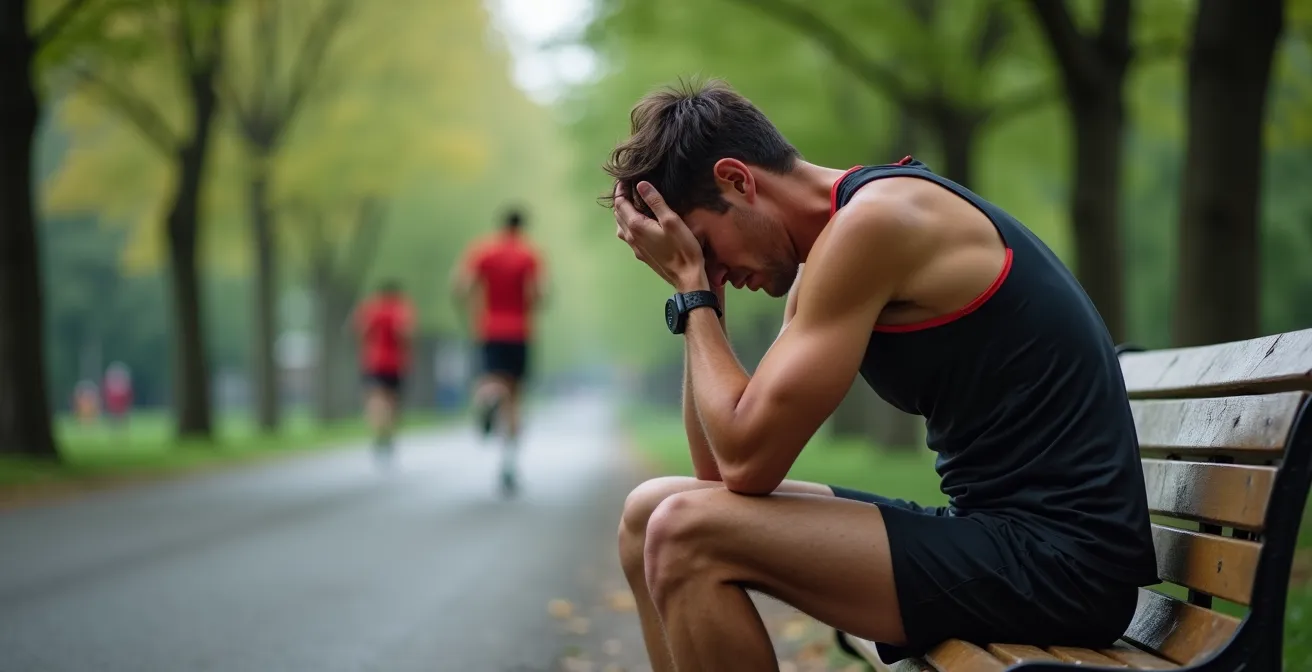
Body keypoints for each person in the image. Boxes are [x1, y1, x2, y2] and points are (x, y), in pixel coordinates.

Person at [604, 79, 1158, 671]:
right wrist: (703, 294)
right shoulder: (832, 248)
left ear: (738, 181)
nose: (715, 268)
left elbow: (744, 462)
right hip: (997, 535)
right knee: (649, 512)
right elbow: (719, 470)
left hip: (1065, 565)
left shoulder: (878, 223)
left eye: (707, 247)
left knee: (685, 533)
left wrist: (694, 294)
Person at [451, 208, 545, 496]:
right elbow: (538, 293)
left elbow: (461, 286)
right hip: (519, 332)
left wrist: (471, 312)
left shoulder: (483, 251)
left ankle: (489, 398)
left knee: (491, 379)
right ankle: (508, 465)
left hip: (489, 329)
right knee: (515, 398)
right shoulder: (529, 254)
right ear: (522, 226)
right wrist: (531, 309)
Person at [354, 280, 415, 464]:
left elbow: (360, 331)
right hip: (395, 363)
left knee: (375, 397)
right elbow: (404, 332)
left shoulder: (371, 309)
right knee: (394, 400)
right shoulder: (400, 309)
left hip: (372, 361)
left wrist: (367, 345)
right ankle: (388, 431)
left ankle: (378, 428)